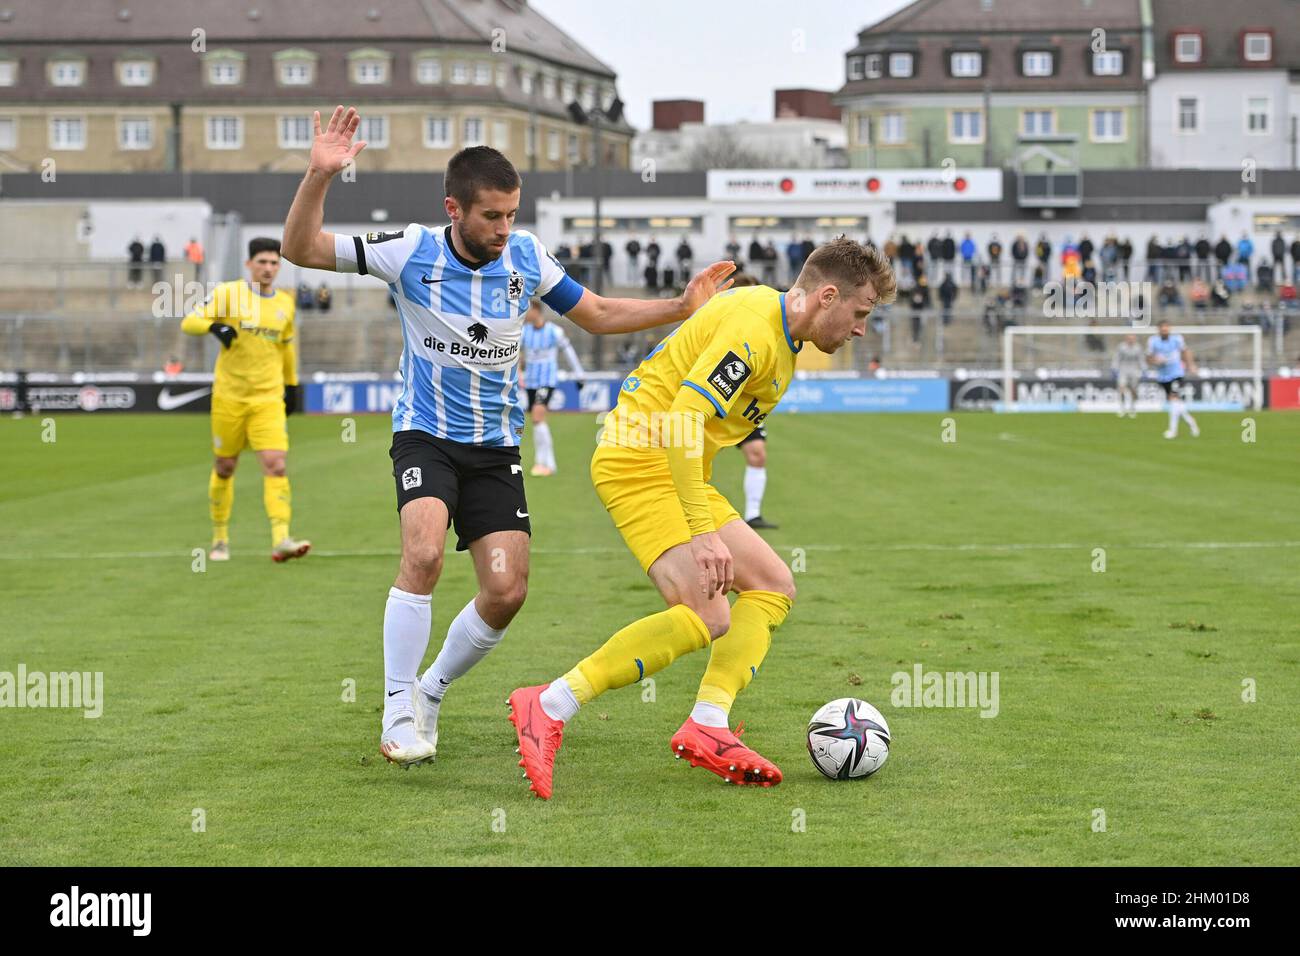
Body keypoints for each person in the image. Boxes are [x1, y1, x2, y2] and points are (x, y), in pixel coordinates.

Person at [279, 106, 737, 769]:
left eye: (512, 214)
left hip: (495, 449)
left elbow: (599, 314)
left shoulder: (524, 257)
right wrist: (319, 175)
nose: (504, 228)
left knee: (506, 590)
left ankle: (432, 691)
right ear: (454, 208)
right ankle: (396, 709)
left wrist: (681, 308)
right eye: (492, 215)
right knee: (426, 554)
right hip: (426, 436)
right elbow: (301, 248)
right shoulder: (411, 250)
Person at [506, 237, 897, 798]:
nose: (860, 329)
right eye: (859, 314)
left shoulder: (777, 331)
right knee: (707, 613)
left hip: (672, 464)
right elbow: (685, 420)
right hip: (640, 459)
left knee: (771, 585)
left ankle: (708, 724)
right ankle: (546, 705)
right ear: (826, 295)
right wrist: (702, 530)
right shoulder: (756, 332)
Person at [180, 237, 308, 564]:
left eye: (274, 263)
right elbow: (189, 321)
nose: (268, 268)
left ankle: (281, 538)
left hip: (267, 398)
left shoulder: (285, 303)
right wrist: (215, 327)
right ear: (249, 264)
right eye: (262, 262)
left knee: (275, 463)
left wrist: (291, 386)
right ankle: (220, 537)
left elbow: (286, 349)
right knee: (225, 467)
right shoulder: (228, 294)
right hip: (230, 397)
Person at [725, 272, 776, 530]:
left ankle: (752, 515)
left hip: (745, 402)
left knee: (757, 455)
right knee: (693, 458)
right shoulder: (720, 319)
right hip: (714, 396)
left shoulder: (764, 326)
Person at [520, 306, 585, 476]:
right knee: (537, 421)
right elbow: (517, 355)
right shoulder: (524, 332)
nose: (525, 314)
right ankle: (545, 463)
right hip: (531, 383)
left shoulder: (554, 331)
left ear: (536, 310)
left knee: (537, 416)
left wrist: (579, 374)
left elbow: (569, 351)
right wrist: (519, 373)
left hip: (546, 381)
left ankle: (545, 464)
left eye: (527, 310)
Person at [1146, 321, 1199, 439]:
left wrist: (1191, 365)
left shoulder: (1177, 339)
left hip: (1176, 374)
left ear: (1169, 329)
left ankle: (1172, 431)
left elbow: (1185, 351)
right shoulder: (1152, 341)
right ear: (1159, 330)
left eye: (1167, 329)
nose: (1165, 331)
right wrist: (1156, 361)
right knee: (1175, 403)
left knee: (1174, 399)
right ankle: (1191, 423)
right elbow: (1148, 358)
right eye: (1162, 329)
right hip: (1163, 376)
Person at [1112, 333, 1143, 418]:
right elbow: (1117, 358)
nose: (1131, 340)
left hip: (1134, 371)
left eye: (1132, 338)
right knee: (1121, 388)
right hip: (1123, 370)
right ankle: (1122, 408)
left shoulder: (1138, 348)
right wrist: (1114, 368)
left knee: (1133, 390)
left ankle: (1132, 408)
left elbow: (1141, 359)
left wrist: (1144, 369)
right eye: (1129, 338)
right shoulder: (1121, 347)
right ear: (1126, 339)